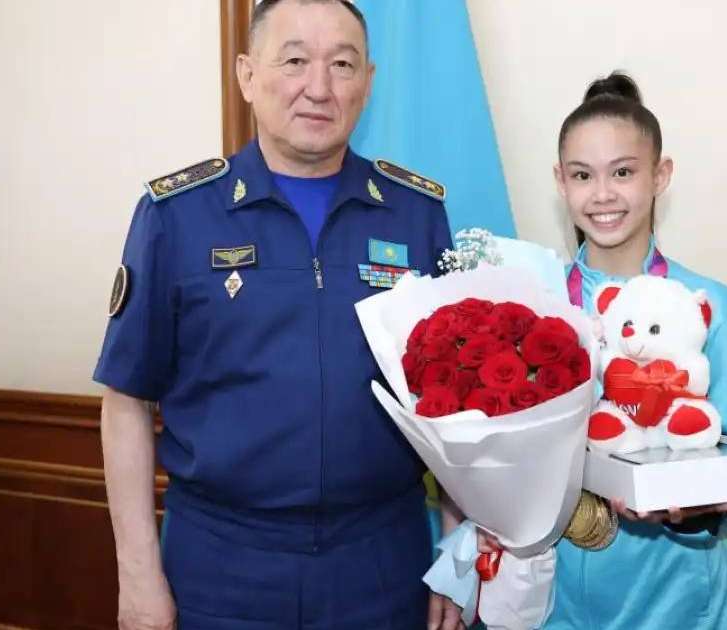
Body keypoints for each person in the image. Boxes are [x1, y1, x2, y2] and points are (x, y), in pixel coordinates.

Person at [93, 1, 457, 627]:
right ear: (247, 75)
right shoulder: (176, 216)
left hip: (382, 561)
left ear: (368, 82)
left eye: (342, 65)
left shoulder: (415, 215)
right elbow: (126, 401)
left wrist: (455, 554)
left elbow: (452, 404)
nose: (319, 87)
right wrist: (137, 576)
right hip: (222, 566)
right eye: (294, 60)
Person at [544, 71, 727, 629]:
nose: (603, 195)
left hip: (677, 592)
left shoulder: (705, 304)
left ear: (660, 175)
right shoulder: (537, 305)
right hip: (557, 593)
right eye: (582, 175)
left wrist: (695, 509)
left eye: (623, 172)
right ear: (560, 182)